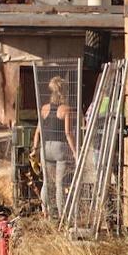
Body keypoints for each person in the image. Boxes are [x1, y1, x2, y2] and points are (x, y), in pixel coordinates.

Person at [32, 76, 76, 221]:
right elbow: (68, 133)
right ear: (64, 92)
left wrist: (34, 148)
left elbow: (38, 131)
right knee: (59, 184)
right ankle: (63, 215)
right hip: (59, 148)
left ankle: (46, 212)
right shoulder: (66, 109)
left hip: (45, 148)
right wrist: (76, 152)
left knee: (46, 182)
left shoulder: (44, 108)